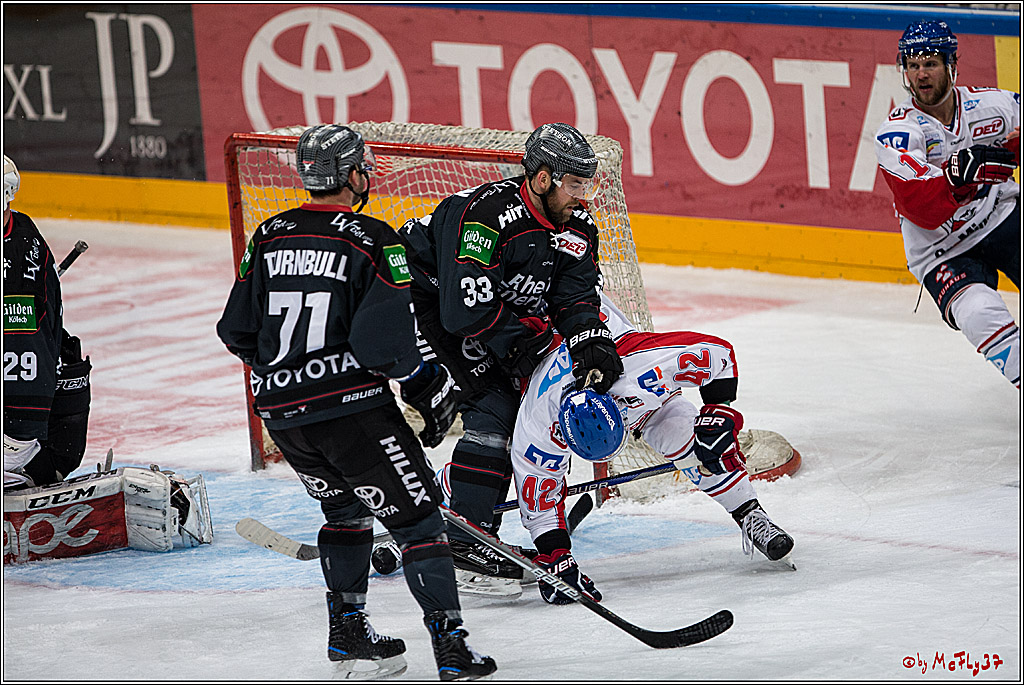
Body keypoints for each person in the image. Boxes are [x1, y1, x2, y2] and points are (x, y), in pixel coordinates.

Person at [216, 125, 496, 681]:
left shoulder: (269, 234)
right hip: (353, 414)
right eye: (362, 167)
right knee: (420, 521)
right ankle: (452, 648)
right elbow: (384, 345)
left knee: (343, 511)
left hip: (282, 416)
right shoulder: (374, 239)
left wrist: (290, 374)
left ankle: (347, 633)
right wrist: (423, 383)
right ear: (349, 175)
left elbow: (236, 330)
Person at [399, 122, 625, 595]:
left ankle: (457, 492)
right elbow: (463, 307)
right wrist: (524, 347)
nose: (583, 195)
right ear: (542, 179)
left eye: (587, 183)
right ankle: (465, 541)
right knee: (498, 405)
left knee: (524, 401)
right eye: (575, 184)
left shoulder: (576, 226)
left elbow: (576, 296)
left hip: (487, 310)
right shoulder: (489, 216)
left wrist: (589, 341)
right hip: (423, 301)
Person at [510, 293, 795, 604]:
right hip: (531, 351)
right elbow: (538, 498)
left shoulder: (641, 363)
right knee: (495, 438)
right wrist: (556, 554)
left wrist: (718, 411)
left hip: (607, 355)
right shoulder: (538, 422)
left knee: (699, 444)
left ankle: (750, 514)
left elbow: (719, 355)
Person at [875, 19, 1020, 388]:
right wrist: (960, 178)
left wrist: (1010, 150)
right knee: (979, 314)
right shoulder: (897, 133)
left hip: (1001, 216)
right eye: (913, 65)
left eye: (930, 63)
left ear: (952, 65)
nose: (921, 74)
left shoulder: (993, 104)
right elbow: (919, 208)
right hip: (942, 250)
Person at [3, 154, 92, 490]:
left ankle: (17, 456)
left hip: (24, 431)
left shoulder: (20, 253)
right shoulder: (23, 227)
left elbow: (29, 350)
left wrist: (19, 438)